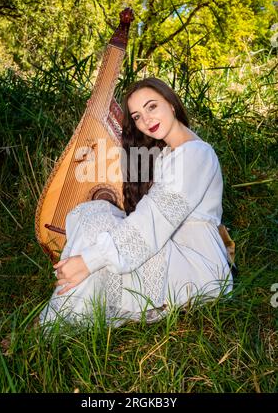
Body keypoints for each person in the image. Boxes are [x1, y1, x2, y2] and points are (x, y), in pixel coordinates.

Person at [39, 77, 234, 328]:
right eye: (137, 116)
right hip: (173, 246)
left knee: (100, 244)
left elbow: (155, 218)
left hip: (197, 265)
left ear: (171, 104)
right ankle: (63, 313)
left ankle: (53, 326)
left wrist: (89, 260)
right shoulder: (170, 152)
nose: (146, 120)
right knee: (94, 213)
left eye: (152, 107)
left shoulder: (195, 154)